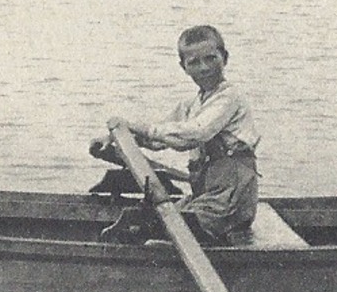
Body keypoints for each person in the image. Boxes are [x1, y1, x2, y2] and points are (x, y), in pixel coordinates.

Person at [97, 25, 261, 246]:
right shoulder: (191, 105)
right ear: (183, 67)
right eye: (194, 62)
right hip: (206, 195)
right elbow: (158, 138)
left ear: (225, 58)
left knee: (160, 230)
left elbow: (196, 133)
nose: (204, 68)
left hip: (230, 201)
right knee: (152, 222)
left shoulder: (229, 97)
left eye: (211, 58)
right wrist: (119, 138)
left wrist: (137, 127)